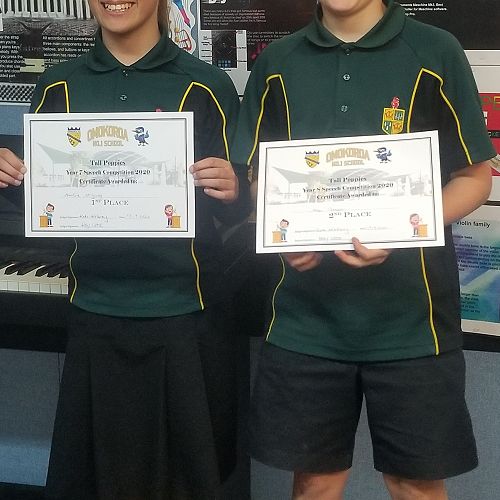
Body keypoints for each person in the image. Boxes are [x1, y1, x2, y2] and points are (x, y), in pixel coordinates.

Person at [232, 0, 495, 499]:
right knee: (315, 484)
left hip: (412, 322)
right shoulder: (277, 62)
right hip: (305, 322)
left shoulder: (435, 51)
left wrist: (400, 229)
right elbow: (256, 176)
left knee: (415, 485)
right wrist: (282, 231)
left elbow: (474, 179)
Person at [0, 0, 250, 497]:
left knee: (185, 480)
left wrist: (235, 189)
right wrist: (10, 177)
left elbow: (232, 206)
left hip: (182, 317)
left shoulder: (206, 85)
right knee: (95, 479)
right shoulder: (58, 84)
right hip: (94, 312)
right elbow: (49, 200)